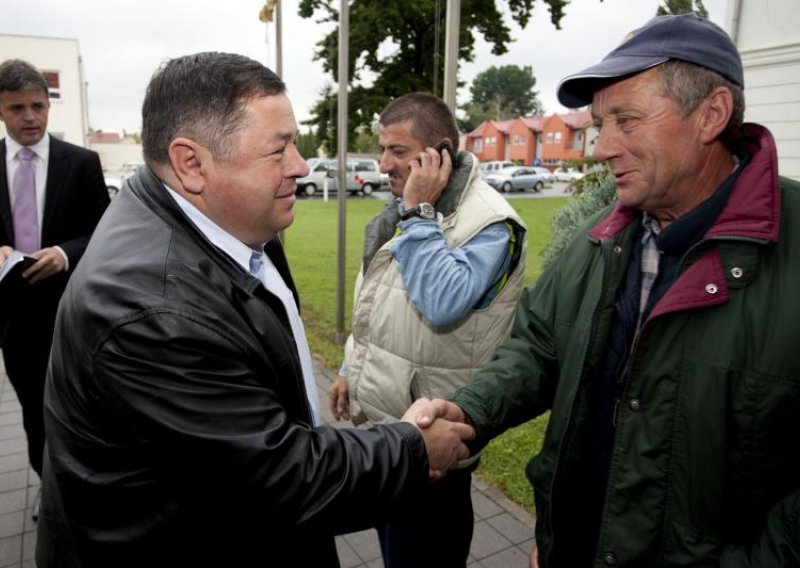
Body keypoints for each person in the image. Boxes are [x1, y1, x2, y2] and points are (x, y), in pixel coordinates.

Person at [36, 52, 474, 568]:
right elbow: (282, 478)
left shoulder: (226, 220)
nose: (301, 166)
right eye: (279, 149)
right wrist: (415, 449)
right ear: (191, 163)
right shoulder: (154, 310)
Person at [416, 13, 800, 568]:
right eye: (600, 123)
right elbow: (539, 348)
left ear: (711, 114)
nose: (602, 147)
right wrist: (469, 413)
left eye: (627, 120)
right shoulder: (605, 237)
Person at [327, 92, 527, 567]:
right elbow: (375, 303)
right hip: (390, 441)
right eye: (382, 150)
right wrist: (347, 367)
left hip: (434, 452)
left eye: (397, 151)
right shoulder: (402, 208)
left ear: (439, 153)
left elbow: (442, 303)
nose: (383, 164)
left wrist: (419, 213)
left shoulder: (489, 222)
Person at [0, 58, 109, 518]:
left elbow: (103, 231)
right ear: (1, 110)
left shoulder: (81, 163)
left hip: (72, 311)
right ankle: (53, 492)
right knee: (33, 410)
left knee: (84, 406)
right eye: (17, 107)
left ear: (48, 106)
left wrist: (64, 254)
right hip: (14, 319)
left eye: (38, 106)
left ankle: (92, 485)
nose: (30, 117)